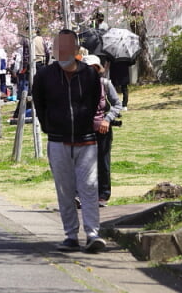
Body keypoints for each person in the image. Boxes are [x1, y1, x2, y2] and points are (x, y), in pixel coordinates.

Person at [32, 28, 107, 253]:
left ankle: (93, 234)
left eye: (67, 47)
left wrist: (86, 122)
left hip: (86, 141)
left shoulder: (90, 74)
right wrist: (49, 126)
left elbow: (95, 101)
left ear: (76, 50)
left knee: (89, 189)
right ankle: (71, 235)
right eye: (58, 47)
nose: (62, 52)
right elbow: (39, 103)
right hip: (58, 140)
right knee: (65, 190)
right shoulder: (45, 75)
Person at [84, 55, 122, 206]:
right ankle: (81, 194)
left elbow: (117, 104)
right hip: (83, 130)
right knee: (82, 163)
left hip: (102, 129)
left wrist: (107, 119)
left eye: (94, 68)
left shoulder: (105, 84)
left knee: (103, 163)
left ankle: (103, 194)